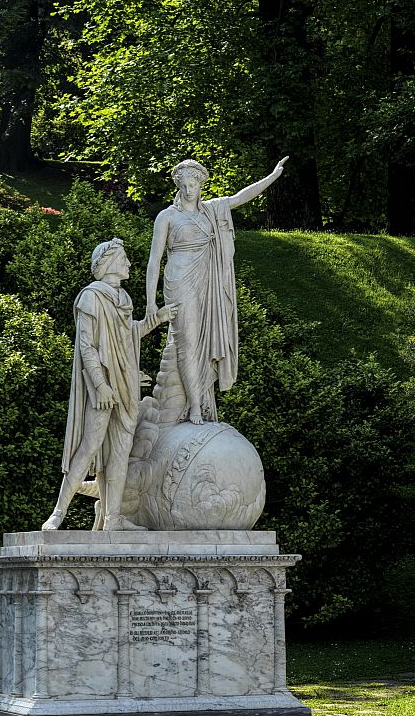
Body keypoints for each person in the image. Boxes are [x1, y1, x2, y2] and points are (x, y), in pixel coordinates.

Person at [42, 238, 173, 531]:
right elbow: (87, 346)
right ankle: (58, 513)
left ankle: (113, 519)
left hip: (126, 386)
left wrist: (158, 319)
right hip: (103, 386)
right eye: (124, 258)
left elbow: (127, 336)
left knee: (120, 453)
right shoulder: (91, 298)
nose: (128, 263)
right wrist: (100, 384)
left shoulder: (123, 298)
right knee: (89, 447)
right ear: (110, 263)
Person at [146, 156, 286, 424]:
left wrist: (271, 177)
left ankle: (202, 400)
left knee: (206, 340)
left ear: (201, 186)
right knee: (187, 341)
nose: (189, 190)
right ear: (178, 186)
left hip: (208, 282)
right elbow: (154, 261)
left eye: (193, 185)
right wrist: (151, 303)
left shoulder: (211, 210)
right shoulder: (167, 217)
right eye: (184, 185)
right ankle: (194, 405)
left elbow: (239, 198)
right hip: (180, 281)